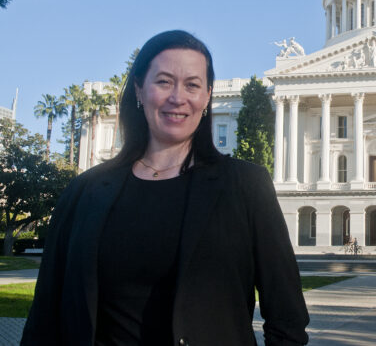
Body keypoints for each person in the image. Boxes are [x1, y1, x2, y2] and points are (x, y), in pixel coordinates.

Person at [21, 30, 309, 346]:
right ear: (139, 90)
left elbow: (287, 317)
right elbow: (44, 318)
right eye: (164, 81)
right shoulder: (84, 192)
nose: (178, 97)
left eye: (192, 85)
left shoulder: (245, 186)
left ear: (208, 96)